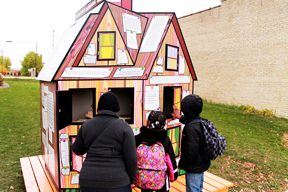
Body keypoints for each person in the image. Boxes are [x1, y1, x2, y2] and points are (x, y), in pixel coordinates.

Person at [72, 92, 137, 192]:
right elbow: (131, 159)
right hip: (117, 181)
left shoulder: (86, 125)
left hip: (88, 180)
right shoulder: (124, 127)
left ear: (98, 108)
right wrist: (131, 179)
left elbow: (77, 149)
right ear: (116, 109)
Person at [172, 94, 210, 192]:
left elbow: (191, 152)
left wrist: (182, 164)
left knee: (193, 189)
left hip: (194, 167)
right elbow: (190, 120)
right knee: (197, 188)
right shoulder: (199, 122)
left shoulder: (191, 128)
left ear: (186, 111)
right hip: (201, 164)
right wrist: (179, 117)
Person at [135, 110, 178, 192]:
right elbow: (171, 157)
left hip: (144, 176)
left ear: (148, 122)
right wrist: (174, 173)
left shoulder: (139, 138)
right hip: (161, 177)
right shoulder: (165, 139)